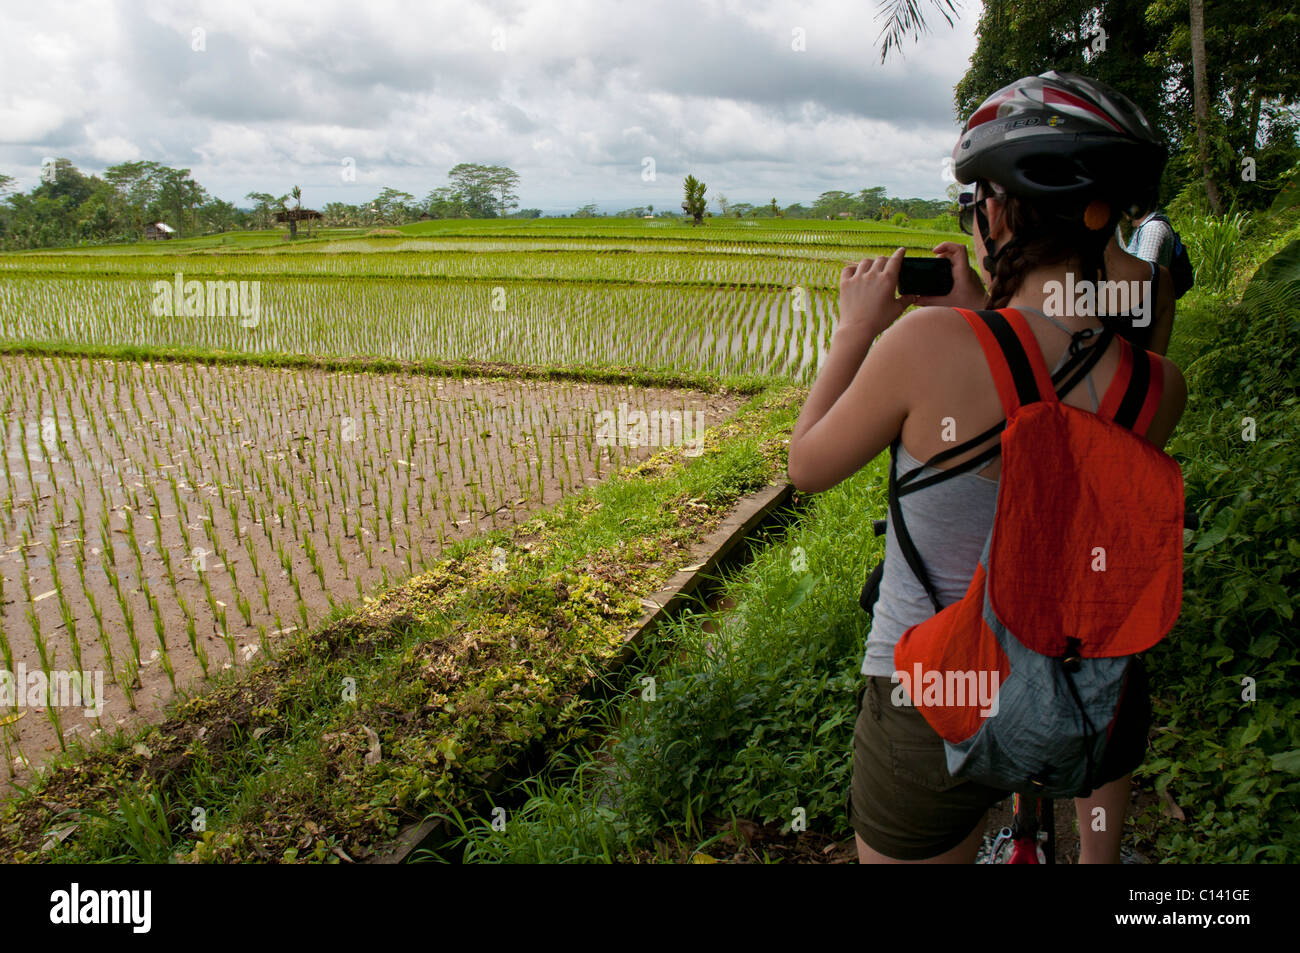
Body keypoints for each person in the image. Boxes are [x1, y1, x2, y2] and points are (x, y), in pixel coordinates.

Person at [786, 71, 1187, 864]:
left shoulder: (925, 346)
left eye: (975, 202)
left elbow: (806, 464)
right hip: (1072, 688)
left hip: (934, 698)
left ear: (998, 209)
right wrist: (983, 314)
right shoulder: (1157, 387)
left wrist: (855, 330)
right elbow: (1058, 424)